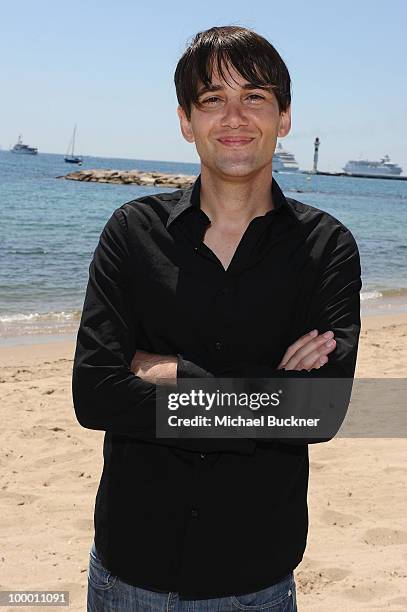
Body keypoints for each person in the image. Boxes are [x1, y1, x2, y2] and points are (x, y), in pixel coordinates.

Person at [72, 25, 362, 612]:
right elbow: (94, 394)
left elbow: (321, 413)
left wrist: (175, 371)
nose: (234, 116)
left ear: (283, 118)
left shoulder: (327, 247)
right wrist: (267, 391)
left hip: (254, 580)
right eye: (212, 100)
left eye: (254, 96)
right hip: (128, 575)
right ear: (186, 121)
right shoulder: (132, 233)